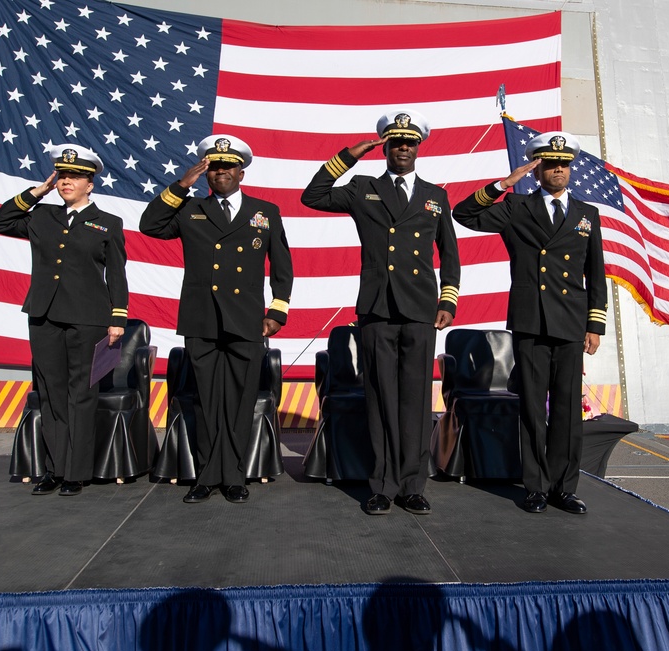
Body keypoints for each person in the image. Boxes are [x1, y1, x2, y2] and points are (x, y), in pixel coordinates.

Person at [301, 111, 461, 516]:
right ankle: (382, 486)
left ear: (418, 148)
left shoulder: (434, 195)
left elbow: (450, 255)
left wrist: (447, 300)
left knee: (414, 401)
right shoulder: (362, 187)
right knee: (380, 399)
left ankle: (412, 485)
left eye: (410, 142)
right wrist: (348, 156)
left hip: (420, 309)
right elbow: (313, 195)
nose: (403, 148)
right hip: (376, 308)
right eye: (395, 142)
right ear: (385, 147)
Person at [452, 131, 608, 514]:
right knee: (533, 409)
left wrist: (595, 325)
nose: (559, 170)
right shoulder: (517, 207)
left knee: (569, 410)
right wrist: (503, 184)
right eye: (551, 164)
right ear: (537, 169)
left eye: (564, 164)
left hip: (571, 322)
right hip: (531, 320)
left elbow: (596, 272)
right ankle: (536, 486)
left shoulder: (587, 214)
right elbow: (463, 213)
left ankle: (564, 487)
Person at [139, 135, 293, 504]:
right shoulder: (190, 208)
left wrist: (277, 312)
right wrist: (181, 185)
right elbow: (150, 225)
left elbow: (282, 265)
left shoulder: (264, 211)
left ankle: (235, 476)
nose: (221, 172)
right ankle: (206, 476)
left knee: (240, 403)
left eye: (228, 166)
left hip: (246, 320)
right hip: (202, 319)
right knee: (206, 402)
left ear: (242, 171)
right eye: (214, 166)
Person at [0, 144, 128, 496]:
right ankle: (54, 469)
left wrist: (118, 318)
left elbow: (117, 275)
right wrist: (38, 191)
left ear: (90, 183)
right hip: (44, 314)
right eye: (62, 175)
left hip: (88, 318)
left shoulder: (107, 223)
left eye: (75, 176)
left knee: (81, 394)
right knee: (50, 394)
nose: (67, 181)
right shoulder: (42, 216)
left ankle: (75, 473)